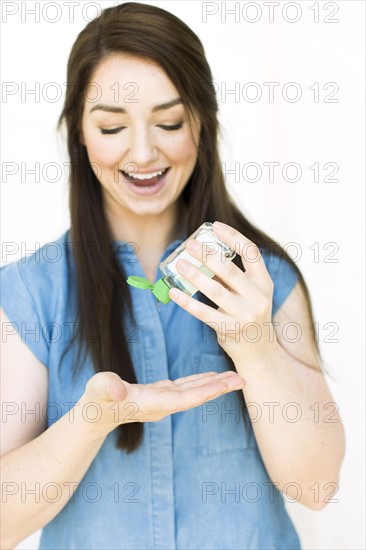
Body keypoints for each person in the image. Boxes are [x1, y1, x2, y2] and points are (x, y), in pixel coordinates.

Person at [0, 2, 345, 549]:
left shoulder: (265, 279)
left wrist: (254, 345)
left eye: (168, 122)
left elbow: (317, 485)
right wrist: (91, 420)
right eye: (112, 126)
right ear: (80, 135)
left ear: (202, 122)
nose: (142, 152)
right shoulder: (28, 292)